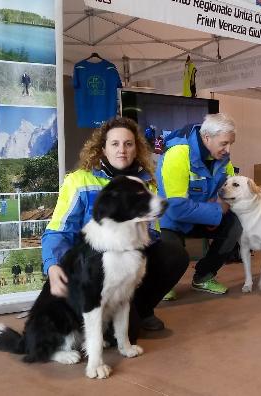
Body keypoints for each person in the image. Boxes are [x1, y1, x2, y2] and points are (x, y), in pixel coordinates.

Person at [41, 116, 189, 334]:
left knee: (173, 252)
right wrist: (52, 265)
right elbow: (58, 230)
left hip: (125, 262)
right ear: (103, 149)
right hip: (90, 265)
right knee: (117, 332)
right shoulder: (79, 180)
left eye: (129, 144)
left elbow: (153, 234)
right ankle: (106, 317)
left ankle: (142, 308)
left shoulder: (146, 183)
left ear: (136, 149)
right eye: (115, 144)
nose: (122, 150)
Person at [156, 113, 241, 298]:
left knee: (235, 225)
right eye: (224, 143)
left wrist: (219, 204)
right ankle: (161, 284)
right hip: (170, 221)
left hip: (200, 215)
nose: (228, 150)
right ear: (207, 137)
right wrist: (216, 208)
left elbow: (231, 191)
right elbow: (176, 208)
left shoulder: (223, 159)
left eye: (230, 144)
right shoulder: (178, 154)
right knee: (175, 257)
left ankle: (203, 276)